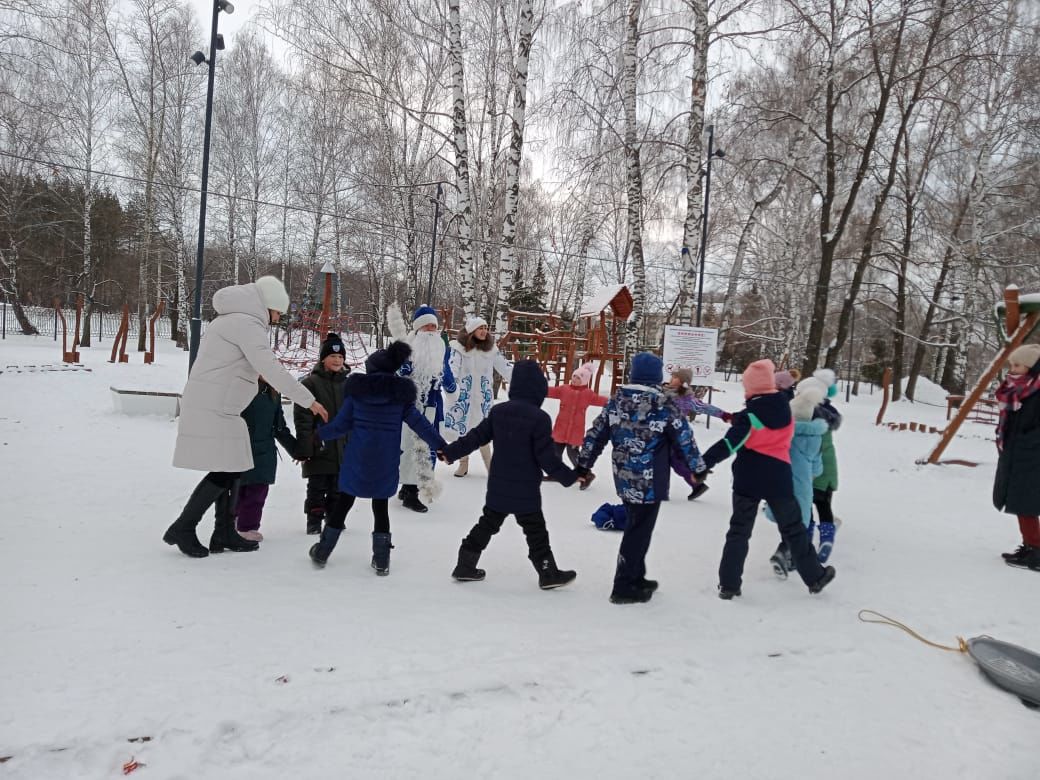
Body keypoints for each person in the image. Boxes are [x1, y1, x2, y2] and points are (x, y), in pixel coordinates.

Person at [165, 276, 328, 558]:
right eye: (277, 312)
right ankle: (185, 526)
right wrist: (309, 401)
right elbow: (270, 368)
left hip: (223, 405)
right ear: (267, 306)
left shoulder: (232, 320)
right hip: (216, 406)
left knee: (234, 466)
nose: (277, 319)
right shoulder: (246, 323)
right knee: (226, 469)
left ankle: (224, 531)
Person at [440, 360, 584, 589]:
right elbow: (547, 459)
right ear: (538, 389)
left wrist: (450, 452)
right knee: (535, 531)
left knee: (486, 524)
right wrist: (569, 476)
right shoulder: (540, 418)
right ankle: (548, 573)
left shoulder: (499, 412)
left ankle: (465, 565)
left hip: (499, 486)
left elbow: (475, 437)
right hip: (526, 490)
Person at [574, 353, 705, 604]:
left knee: (637, 526)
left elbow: (595, 434)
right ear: (657, 377)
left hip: (623, 476)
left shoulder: (617, 401)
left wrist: (583, 465)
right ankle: (624, 586)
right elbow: (684, 438)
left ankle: (636, 576)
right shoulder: (664, 405)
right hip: (650, 480)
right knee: (639, 530)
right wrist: (697, 468)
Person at [308, 341, 447, 575]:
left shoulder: (357, 394)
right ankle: (381, 560)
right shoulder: (400, 398)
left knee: (344, 503)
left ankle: (322, 551)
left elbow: (341, 425)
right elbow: (420, 424)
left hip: (357, 459)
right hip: (385, 460)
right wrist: (441, 446)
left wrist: (319, 434)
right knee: (380, 507)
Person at [700, 358, 835, 599]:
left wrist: (703, 464)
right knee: (794, 529)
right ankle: (815, 577)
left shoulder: (749, 415)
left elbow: (730, 444)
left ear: (750, 387)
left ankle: (729, 585)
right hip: (778, 478)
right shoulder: (785, 408)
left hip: (748, 479)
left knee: (739, 531)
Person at [388, 303, 457, 512]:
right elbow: (396, 372)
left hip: (433, 406)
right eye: (426, 326)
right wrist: (403, 368)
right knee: (411, 448)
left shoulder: (441, 348)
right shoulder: (407, 348)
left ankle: (410, 488)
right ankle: (410, 491)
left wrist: (452, 387)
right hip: (411, 407)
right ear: (418, 329)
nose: (431, 330)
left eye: (433, 326)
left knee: (429, 449)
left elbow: (445, 371)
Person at [765, 377, 829, 578]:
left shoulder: (782, 433)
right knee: (797, 524)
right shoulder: (814, 437)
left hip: (779, 484)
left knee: (786, 521)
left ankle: (787, 555)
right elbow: (817, 468)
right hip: (801, 488)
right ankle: (784, 554)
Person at [294, 333, 350, 535]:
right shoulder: (311, 384)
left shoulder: (348, 385)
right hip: (320, 446)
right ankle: (314, 519)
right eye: (333, 356)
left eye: (340, 357)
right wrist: (305, 446)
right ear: (323, 359)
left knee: (338, 487)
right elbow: (303, 418)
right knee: (317, 487)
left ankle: (334, 518)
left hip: (342, 447)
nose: (337, 360)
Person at [443, 316, 513, 477]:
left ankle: (490, 465)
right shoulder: (458, 348)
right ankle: (463, 463)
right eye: (480, 328)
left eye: (486, 328)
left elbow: (505, 367)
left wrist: (521, 381)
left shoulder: (491, 350)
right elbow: (453, 368)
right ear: (471, 330)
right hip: (463, 398)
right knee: (463, 432)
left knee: (483, 432)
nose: (484, 331)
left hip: (482, 399)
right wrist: (451, 387)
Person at [993, 343, 1040, 571]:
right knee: (1023, 503)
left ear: (1031, 367)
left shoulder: (1036, 391)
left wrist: (1025, 442)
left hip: (1031, 456)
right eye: (1011, 364)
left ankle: (1036, 550)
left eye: (1018, 364)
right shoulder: (1017, 389)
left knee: (1026, 504)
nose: (1012, 368)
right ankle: (1030, 545)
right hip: (1018, 454)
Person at [234, 378, 299, 542]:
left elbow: (279, 427)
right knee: (236, 490)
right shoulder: (239, 387)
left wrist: (297, 451)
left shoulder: (273, 393)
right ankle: (232, 525)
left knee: (257, 492)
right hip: (238, 448)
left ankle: (248, 526)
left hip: (264, 453)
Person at [665, 367, 731, 500]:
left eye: (675, 377)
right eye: (672, 376)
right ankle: (697, 479)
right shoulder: (663, 391)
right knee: (677, 460)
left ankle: (696, 481)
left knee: (674, 461)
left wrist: (723, 414)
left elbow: (704, 407)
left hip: (676, 436)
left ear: (682, 381)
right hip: (663, 433)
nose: (671, 378)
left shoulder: (685, 398)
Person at [545, 362, 607, 467]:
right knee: (555, 452)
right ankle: (555, 472)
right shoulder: (564, 389)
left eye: (578, 378)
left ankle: (583, 473)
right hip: (561, 428)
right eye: (574, 376)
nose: (574, 379)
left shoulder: (588, 394)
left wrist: (614, 402)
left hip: (575, 431)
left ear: (584, 381)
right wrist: (537, 388)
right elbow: (550, 391)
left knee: (572, 454)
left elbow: (600, 400)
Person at [810, 368, 842, 562]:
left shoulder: (808, 413)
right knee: (824, 505)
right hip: (829, 467)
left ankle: (804, 537)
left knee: (806, 505)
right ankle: (827, 537)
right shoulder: (830, 415)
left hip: (810, 467)